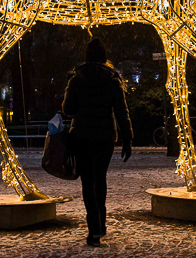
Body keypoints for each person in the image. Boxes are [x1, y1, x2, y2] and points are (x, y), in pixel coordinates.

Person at [62, 37, 132, 247]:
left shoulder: (76, 78)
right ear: (104, 56)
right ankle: (101, 223)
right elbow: (121, 111)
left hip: (82, 136)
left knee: (87, 182)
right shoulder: (112, 79)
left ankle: (94, 229)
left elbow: (68, 110)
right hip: (105, 137)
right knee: (100, 179)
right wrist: (127, 138)